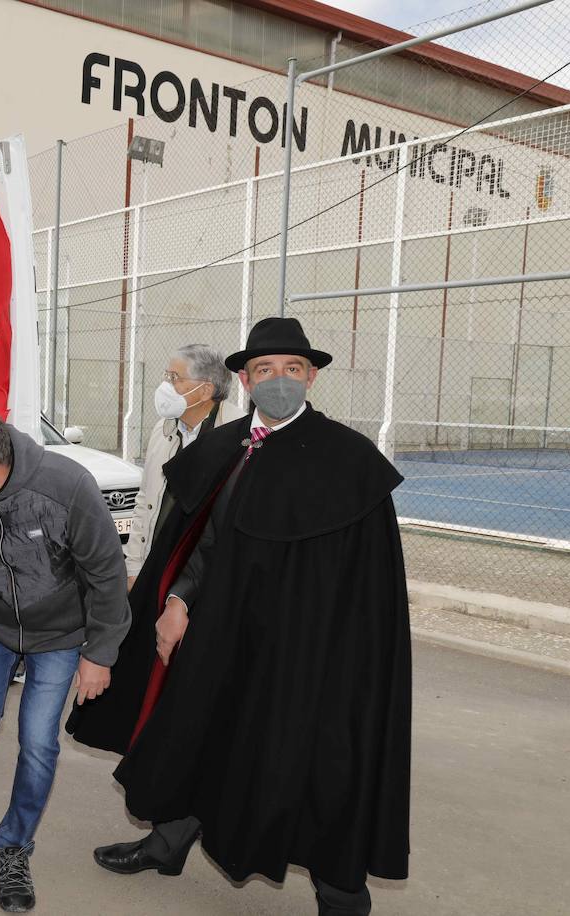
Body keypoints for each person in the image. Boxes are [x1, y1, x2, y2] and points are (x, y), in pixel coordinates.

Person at [73, 317, 410, 916]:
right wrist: (176, 600)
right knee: (197, 731)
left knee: (317, 765)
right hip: (223, 636)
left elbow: (368, 589)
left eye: (291, 369)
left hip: (310, 655)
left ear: (310, 377)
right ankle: (169, 841)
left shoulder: (348, 462)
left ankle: (340, 894)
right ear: (245, 380)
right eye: (264, 370)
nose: (278, 379)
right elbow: (199, 543)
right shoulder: (223, 449)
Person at [0, 403, 130, 913]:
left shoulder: (66, 487)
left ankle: (14, 845)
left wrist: (100, 653)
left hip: (59, 636)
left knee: (37, 743)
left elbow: (107, 575)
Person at [123, 343, 246, 591]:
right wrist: (134, 566)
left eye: (175, 378)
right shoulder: (163, 429)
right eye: (166, 376)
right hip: (156, 564)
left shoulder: (238, 435)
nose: (165, 386)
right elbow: (145, 500)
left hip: (205, 579)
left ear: (205, 390)